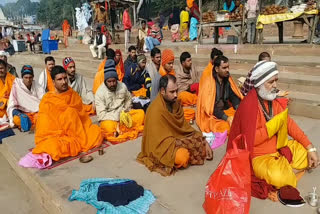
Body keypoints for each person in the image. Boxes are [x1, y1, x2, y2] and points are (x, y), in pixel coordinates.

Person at [227, 61, 319, 201]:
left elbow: (290, 125)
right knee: (282, 178)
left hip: (279, 148)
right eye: (271, 82)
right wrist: (271, 127)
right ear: (260, 83)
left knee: (306, 154)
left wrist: (310, 147)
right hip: (260, 157)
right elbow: (249, 140)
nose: (275, 85)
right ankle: (284, 168)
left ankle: (286, 165)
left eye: (276, 80)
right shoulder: (248, 106)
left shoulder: (272, 101)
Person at [137, 75, 213, 176]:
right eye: (172, 92)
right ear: (163, 91)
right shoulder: (155, 110)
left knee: (201, 144)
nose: (176, 95)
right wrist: (184, 143)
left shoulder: (175, 104)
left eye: (176, 91)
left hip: (176, 140)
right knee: (183, 157)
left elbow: (185, 128)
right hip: (161, 147)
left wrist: (203, 141)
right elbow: (157, 143)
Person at [32, 66, 103, 161]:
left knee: (97, 132)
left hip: (79, 131)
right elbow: (45, 126)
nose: (64, 82)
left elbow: (83, 118)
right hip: (59, 135)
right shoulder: (47, 100)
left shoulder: (73, 94)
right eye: (60, 79)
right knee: (53, 147)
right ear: (53, 82)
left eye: (65, 78)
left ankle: (78, 143)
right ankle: (75, 144)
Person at [95, 60, 145, 144]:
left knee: (141, 114)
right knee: (107, 127)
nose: (112, 84)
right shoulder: (100, 93)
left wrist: (126, 110)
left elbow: (128, 99)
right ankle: (119, 128)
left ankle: (119, 130)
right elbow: (101, 115)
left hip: (124, 115)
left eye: (114, 81)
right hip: (110, 119)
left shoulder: (122, 86)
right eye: (109, 82)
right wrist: (118, 116)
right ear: (105, 81)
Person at [197, 55, 243, 134]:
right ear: (217, 69)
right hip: (211, 114)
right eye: (224, 68)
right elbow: (211, 107)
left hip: (224, 109)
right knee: (226, 127)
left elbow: (233, 95)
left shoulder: (227, 79)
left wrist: (238, 108)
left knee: (241, 116)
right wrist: (226, 118)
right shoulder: (209, 83)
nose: (227, 70)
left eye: (228, 67)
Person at [7, 65, 45, 132]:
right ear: (22, 77)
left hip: (36, 112)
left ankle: (30, 126)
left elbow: (44, 100)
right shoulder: (17, 85)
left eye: (30, 77)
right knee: (16, 119)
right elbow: (12, 106)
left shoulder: (37, 86)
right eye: (26, 77)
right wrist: (20, 114)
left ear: (33, 77)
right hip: (23, 113)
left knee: (41, 118)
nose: (28, 80)